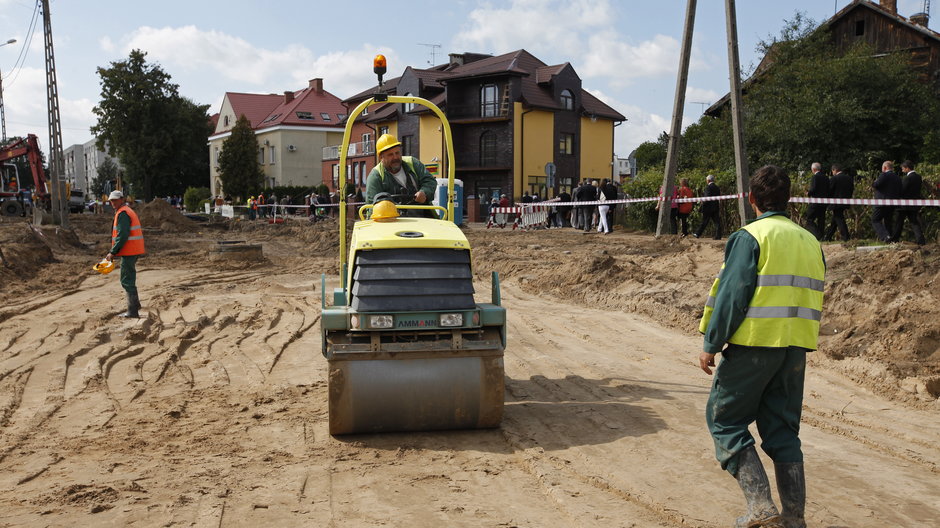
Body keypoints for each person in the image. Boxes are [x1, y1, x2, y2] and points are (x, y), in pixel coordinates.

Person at [698, 165, 824, 528]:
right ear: (789, 200)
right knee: (783, 431)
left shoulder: (751, 236)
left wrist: (712, 342)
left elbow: (732, 295)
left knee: (725, 421)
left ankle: (760, 507)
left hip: (753, 346)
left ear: (751, 199)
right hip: (795, 350)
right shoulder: (810, 240)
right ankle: (794, 518)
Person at [365, 134, 437, 218]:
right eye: (390, 154)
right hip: (392, 221)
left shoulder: (413, 163)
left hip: (422, 217)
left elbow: (430, 181)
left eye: (397, 153)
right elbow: (371, 207)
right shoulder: (376, 176)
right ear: (381, 157)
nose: (395, 157)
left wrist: (424, 192)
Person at [104, 190, 146, 319]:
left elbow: (122, 235)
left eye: (115, 200)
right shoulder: (126, 210)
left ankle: (132, 311)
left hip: (130, 250)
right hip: (132, 250)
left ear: (122, 199)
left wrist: (112, 252)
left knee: (126, 280)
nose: (113, 203)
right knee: (129, 277)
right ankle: (136, 305)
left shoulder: (123, 213)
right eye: (111, 201)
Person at [891, 160, 926, 245]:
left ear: (907, 168)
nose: (902, 170)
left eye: (903, 168)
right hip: (914, 204)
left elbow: (902, 190)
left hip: (904, 204)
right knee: (914, 222)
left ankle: (895, 239)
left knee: (899, 222)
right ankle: (921, 240)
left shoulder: (907, 178)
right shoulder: (918, 177)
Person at [871, 160, 901, 243]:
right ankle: (890, 238)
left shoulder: (883, 175)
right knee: (888, 221)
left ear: (884, 167)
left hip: (882, 202)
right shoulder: (897, 177)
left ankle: (885, 236)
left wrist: (875, 181)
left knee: (875, 219)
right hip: (893, 203)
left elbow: (875, 185)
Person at [824, 164, 854, 242]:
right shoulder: (849, 178)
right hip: (845, 201)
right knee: (835, 219)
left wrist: (827, 200)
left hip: (836, 202)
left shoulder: (834, 179)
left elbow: (829, 191)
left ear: (834, 170)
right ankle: (828, 236)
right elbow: (851, 189)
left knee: (839, 218)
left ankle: (846, 237)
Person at [805, 162, 830, 240]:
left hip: (815, 202)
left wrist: (808, 193)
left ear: (813, 169)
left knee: (809, 219)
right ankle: (821, 236)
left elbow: (813, 189)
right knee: (821, 220)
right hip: (824, 202)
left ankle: (817, 234)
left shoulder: (815, 177)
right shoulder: (826, 177)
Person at [694, 174, 723, 239]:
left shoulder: (708, 187)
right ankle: (718, 235)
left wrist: (702, 204)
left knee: (704, 221)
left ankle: (697, 233)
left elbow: (707, 198)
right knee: (717, 222)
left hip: (708, 207)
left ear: (708, 180)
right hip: (715, 207)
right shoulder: (717, 187)